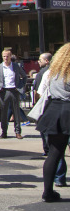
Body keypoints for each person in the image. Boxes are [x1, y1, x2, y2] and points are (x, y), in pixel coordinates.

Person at [36, 43, 70, 201]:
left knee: (54, 154)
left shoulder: (53, 73)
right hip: (67, 110)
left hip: (54, 110)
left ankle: (47, 191)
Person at [0, 48, 27, 139]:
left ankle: (18, 132)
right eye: (4, 56)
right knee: (4, 113)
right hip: (4, 91)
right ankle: (4, 132)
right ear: (2, 57)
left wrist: (20, 86)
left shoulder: (16, 66)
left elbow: (24, 76)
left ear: (11, 56)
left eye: (7, 56)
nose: (6, 58)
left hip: (14, 90)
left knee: (16, 112)